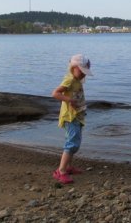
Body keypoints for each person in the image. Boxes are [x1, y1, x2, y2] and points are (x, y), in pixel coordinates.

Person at [51, 54, 92, 184]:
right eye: (82, 71)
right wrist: (69, 100)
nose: (83, 74)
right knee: (72, 143)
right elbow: (55, 93)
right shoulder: (69, 80)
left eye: (85, 72)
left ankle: (68, 167)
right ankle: (61, 171)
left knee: (75, 142)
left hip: (77, 115)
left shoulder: (76, 80)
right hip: (70, 116)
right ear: (73, 67)